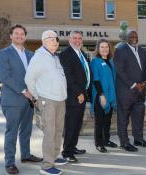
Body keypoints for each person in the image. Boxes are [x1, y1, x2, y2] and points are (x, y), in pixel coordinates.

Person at [0, 24, 42, 174]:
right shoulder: (4, 53)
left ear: (25, 37)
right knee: (12, 132)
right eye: (16, 33)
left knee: (26, 130)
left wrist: (34, 93)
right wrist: (23, 91)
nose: (19, 36)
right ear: (11, 36)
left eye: (22, 34)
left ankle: (26, 155)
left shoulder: (30, 54)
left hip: (29, 100)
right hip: (13, 100)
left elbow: (35, 75)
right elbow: (5, 77)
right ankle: (9, 162)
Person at [25, 30, 68, 175]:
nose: (55, 42)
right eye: (51, 39)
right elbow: (29, 79)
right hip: (47, 100)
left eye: (56, 39)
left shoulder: (54, 57)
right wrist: (36, 97)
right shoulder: (39, 57)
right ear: (43, 41)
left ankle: (54, 156)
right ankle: (47, 165)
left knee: (58, 130)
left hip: (60, 100)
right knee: (49, 132)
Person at [114, 30, 146, 152]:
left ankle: (138, 139)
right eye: (132, 36)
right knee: (123, 118)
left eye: (136, 36)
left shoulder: (141, 50)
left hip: (141, 91)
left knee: (138, 116)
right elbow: (120, 70)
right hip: (126, 91)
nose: (134, 38)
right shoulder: (120, 50)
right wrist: (134, 85)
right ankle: (124, 142)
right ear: (127, 38)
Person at [59, 31, 90, 162]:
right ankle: (67, 152)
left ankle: (73, 146)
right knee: (71, 124)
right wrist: (79, 93)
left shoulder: (81, 53)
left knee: (77, 123)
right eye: (74, 38)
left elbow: (85, 73)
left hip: (82, 94)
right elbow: (68, 76)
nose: (77, 40)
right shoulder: (66, 54)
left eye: (79, 38)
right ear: (69, 39)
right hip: (74, 96)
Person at [90, 39, 117, 153]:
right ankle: (99, 143)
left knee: (107, 120)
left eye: (106, 47)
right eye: (102, 47)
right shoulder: (95, 61)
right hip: (100, 95)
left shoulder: (110, 61)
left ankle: (106, 140)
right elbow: (95, 80)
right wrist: (101, 95)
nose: (105, 49)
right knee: (99, 121)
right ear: (98, 49)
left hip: (110, 96)